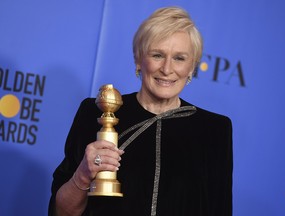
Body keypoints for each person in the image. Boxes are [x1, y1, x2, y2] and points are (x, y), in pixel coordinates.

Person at [48, 6, 233, 216]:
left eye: (179, 58)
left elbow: (220, 209)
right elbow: (60, 212)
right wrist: (83, 174)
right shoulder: (94, 112)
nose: (167, 68)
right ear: (138, 59)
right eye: (157, 55)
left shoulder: (215, 130)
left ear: (192, 67)